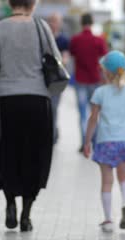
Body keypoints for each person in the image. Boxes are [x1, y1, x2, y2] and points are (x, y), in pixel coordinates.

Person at [0, 0, 61, 232]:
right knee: (34, 155)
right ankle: (26, 215)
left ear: (10, 3)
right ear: (33, 4)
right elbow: (56, 59)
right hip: (38, 100)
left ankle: (9, 203)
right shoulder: (42, 27)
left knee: (8, 153)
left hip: (7, 101)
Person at [83, 51, 125, 233]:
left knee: (107, 182)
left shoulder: (99, 92)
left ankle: (109, 220)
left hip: (105, 142)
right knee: (124, 178)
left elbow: (93, 119)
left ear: (105, 72)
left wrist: (87, 141)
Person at [70, 13, 108, 152]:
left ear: (81, 23)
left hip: (80, 80)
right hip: (95, 80)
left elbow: (72, 54)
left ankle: (84, 143)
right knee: (95, 112)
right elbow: (104, 60)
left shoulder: (75, 39)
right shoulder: (99, 40)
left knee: (82, 113)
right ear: (92, 23)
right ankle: (95, 140)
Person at [47, 12, 70, 144]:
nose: (53, 24)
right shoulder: (44, 39)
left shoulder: (63, 40)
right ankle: (50, 130)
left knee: (54, 106)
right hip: (43, 79)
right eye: (51, 21)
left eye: (56, 21)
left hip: (57, 80)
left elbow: (66, 58)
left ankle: (53, 133)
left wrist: (58, 61)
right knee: (45, 107)